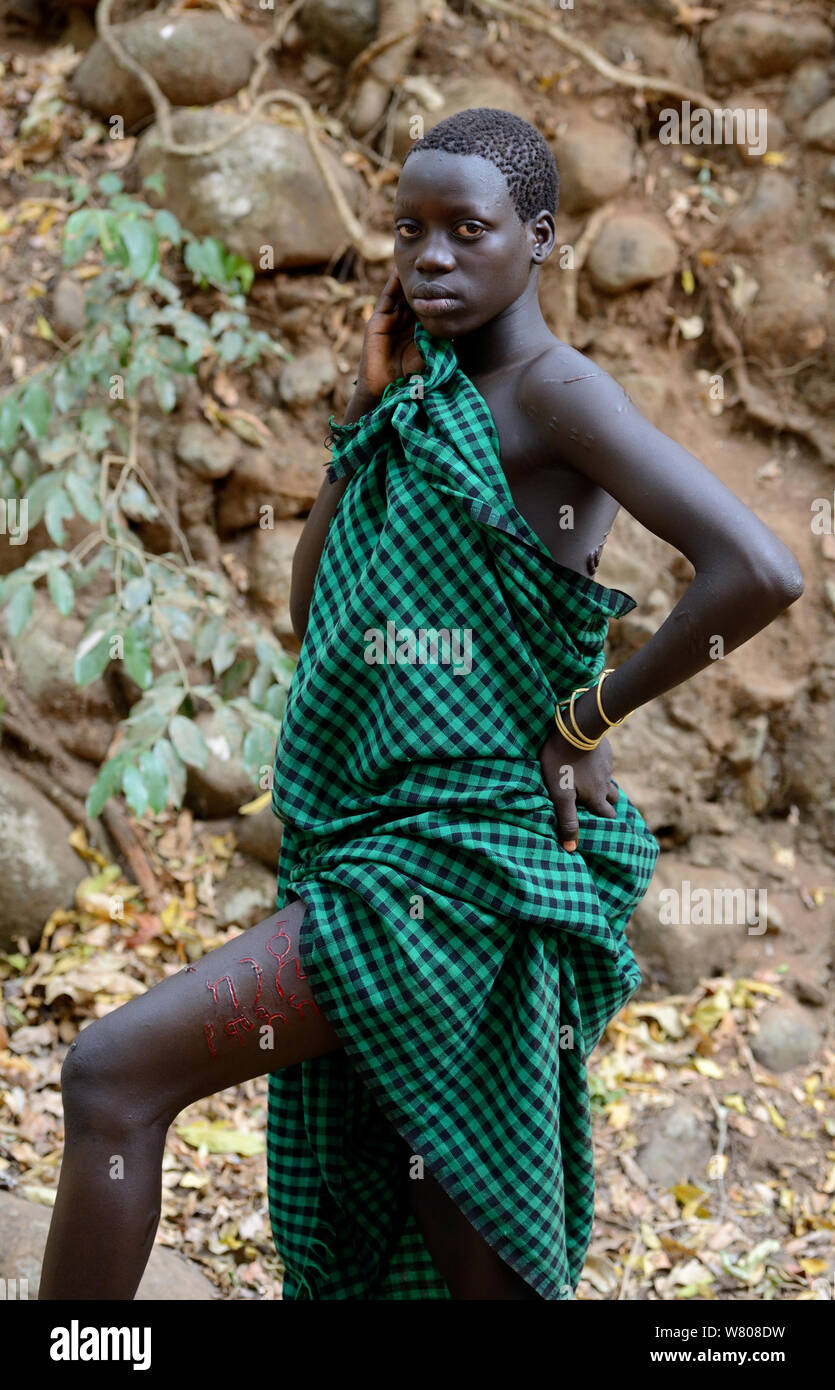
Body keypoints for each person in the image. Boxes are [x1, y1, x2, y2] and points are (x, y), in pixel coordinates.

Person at [39, 108, 804, 1302]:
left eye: (467, 230)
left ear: (540, 238)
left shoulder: (557, 393)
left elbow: (758, 572)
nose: (430, 258)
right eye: (409, 231)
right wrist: (366, 410)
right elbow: (317, 613)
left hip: (456, 876)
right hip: (372, 853)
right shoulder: (417, 405)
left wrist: (585, 717)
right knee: (449, 1221)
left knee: (110, 1075)